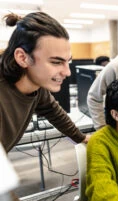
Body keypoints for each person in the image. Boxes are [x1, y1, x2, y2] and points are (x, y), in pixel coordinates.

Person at [0, 12, 90, 153]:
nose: (67, 72)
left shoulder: (37, 87)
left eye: (68, 61)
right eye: (56, 62)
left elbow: (53, 111)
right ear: (22, 57)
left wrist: (81, 138)